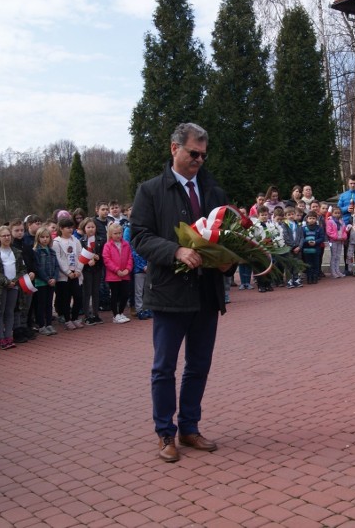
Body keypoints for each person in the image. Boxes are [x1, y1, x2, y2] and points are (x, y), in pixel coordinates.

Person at [130, 122, 234, 463]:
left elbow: (228, 238)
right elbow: (141, 237)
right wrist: (175, 251)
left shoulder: (214, 192)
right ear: (174, 148)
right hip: (169, 294)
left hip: (206, 292)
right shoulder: (150, 191)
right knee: (164, 368)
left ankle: (190, 428)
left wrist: (227, 264)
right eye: (193, 153)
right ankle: (165, 434)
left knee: (199, 365)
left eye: (204, 155)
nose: (199, 160)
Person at [0, 226, 27, 350]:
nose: (7, 238)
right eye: (4, 236)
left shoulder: (16, 252)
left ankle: (9, 336)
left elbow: (22, 269)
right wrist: (5, 281)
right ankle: (1, 338)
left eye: (8, 235)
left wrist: (14, 281)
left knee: (10, 312)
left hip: (14, 286)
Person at [53, 216, 84, 329]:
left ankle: (75, 317)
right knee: (65, 298)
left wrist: (78, 270)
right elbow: (58, 258)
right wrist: (67, 271)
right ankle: (67, 319)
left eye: (71, 227)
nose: (70, 230)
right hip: (64, 276)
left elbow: (81, 255)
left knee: (78, 296)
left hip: (76, 273)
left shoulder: (75, 240)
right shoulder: (57, 242)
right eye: (67, 228)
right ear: (61, 228)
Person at [103, 223, 133, 323]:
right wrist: (117, 270)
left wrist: (127, 270)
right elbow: (107, 260)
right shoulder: (107, 245)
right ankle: (115, 315)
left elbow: (130, 258)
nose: (118, 235)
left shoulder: (126, 244)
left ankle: (121, 312)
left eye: (120, 233)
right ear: (111, 234)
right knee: (115, 295)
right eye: (115, 233)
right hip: (113, 276)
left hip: (125, 274)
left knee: (125, 294)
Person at [33, 227, 58, 335]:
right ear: (38, 238)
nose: (45, 239)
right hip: (41, 282)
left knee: (49, 304)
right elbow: (38, 268)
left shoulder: (52, 251)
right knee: (41, 304)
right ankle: (41, 325)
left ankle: (49, 324)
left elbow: (56, 266)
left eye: (47, 237)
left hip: (51, 282)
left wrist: (54, 278)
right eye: (42, 237)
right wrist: (47, 279)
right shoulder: (36, 251)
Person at [79, 218, 103, 325]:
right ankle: (87, 315)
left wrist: (99, 258)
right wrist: (87, 262)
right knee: (87, 292)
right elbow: (80, 255)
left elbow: (104, 254)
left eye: (93, 227)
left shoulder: (100, 240)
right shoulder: (81, 241)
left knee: (96, 292)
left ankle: (96, 314)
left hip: (97, 269)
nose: (91, 229)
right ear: (84, 228)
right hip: (86, 270)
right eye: (88, 227)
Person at [276, 206, 303, 288]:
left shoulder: (298, 224)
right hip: (289, 248)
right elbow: (285, 237)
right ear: (285, 216)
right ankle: (289, 280)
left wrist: (299, 246)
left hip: (298, 248)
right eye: (289, 214)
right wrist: (293, 246)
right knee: (289, 265)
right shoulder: (285, 225)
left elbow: (302, 237)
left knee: (296, 264)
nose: (291, 216)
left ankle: (296, 279)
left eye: (292, 214)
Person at [302, 211, 325, 284]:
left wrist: (315, 242)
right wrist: (307, 242)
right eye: (310, 218)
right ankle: (309, 277)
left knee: (316, 264)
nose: (312, 220)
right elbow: (302, 238)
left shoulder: (319, 228)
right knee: (308, 264)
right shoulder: (303, 228)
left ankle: (315, 277)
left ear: (316, 219)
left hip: (316, 249)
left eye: (313, 218)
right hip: (306, 250)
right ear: (307, 219)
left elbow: (322, 238)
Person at [326, 207, 348, 278]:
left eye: (339, 213)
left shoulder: (342, 221)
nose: (337, 214)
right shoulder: (330, 221)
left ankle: (337, 270)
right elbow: (329, 232)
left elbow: (344, 231)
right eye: (335, 213)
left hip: (340, 241)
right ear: (332, 213)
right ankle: (333, 271)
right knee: (334, 256)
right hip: (333, 241)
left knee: (338, 256)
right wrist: (336, 237)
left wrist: (344, 237)